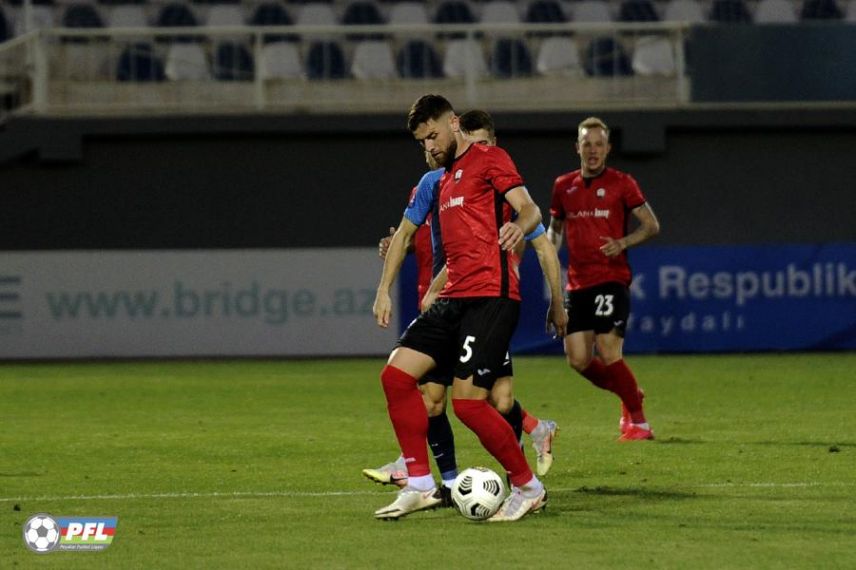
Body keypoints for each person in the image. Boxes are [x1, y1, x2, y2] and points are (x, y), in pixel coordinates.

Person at [372, 94, 561, 521]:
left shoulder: (490, 159)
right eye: (422, 141)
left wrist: (516, 225)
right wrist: (384, 288)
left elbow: (529, 208)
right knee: (396, 375)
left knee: (471, 404)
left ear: (453, 122)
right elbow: (403, 235)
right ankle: (420, 484)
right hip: (454, 298)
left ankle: (529, 487)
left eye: (433, 135)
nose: (430, 146)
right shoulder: (440, 179)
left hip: (491, 298)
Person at [547, 116, 661, 441]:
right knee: (579, 360)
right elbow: (555, 229)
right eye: (587, 144)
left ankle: (639, 423)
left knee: (609, 350)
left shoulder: (622, 183)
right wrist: (549, 256)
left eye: (599, 144)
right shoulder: (562, 186)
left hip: (611, 278)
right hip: (576, 282)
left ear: (608, 148)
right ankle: (630, 394)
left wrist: (622, 243)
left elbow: (651, 225)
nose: (593, 150)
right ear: (577, 148)